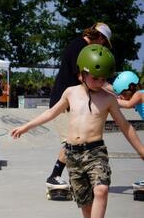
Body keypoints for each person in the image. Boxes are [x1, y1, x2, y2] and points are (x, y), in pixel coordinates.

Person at [11, 44, 144, 218]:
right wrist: (26, 126)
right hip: (72, 153)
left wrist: (141, 151)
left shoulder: (108, 98)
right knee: (84, 200)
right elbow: (51, 113)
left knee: (101, 189)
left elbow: (126, 127)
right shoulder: (70, 93)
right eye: (95, 78)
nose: (100, 83)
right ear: (82, 73)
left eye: (103, 79)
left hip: (95, 152)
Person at [46, 22, 112, 188]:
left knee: (74, 141)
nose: (103, 46)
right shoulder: (79, 48)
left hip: (70, 102)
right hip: (63, 102)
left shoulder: (81, 46)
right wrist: (108, 89)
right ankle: (54, 176)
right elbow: (82, 77)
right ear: (100, 37)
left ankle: (68, 176)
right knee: (71, 142)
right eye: (104, 42)